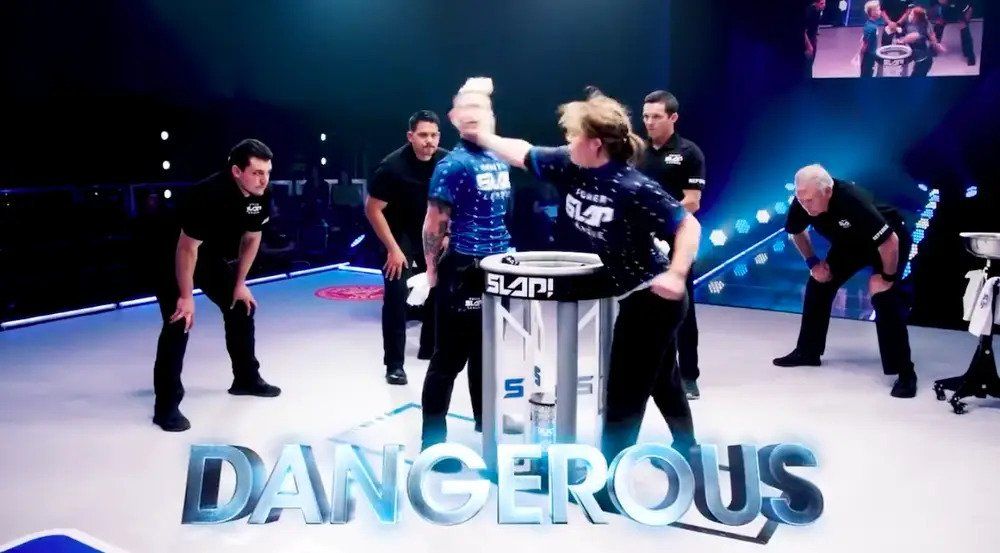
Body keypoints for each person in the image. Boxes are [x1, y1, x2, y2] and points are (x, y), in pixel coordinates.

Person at [464, 85, 701, 490]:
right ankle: (688, 448)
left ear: (595, 144)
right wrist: (481, 135)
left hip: (652, 298)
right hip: (630, 290)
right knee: (662, 378)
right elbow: (522, 152)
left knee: (625, 392)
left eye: (574, 136)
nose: (568, 142)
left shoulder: (631, 187)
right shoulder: (570, 165)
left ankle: (607, 482)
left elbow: (688, 225)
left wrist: (677, 275)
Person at [151, 139, 281, 432]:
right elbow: (186, 249)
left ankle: (246, 378)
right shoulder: (207, 194)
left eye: (267, 172)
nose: (264, 180)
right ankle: (166, 406)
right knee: (178, 322)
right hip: (171, 252)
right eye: (257, 173)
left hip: (207, 254)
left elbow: (252, 238)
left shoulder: (261, 193)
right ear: (236, 171)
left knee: (241, 307)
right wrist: (186, 297)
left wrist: (239, 283)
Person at [420, 79, 513, 464]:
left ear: (491, 116)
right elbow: (434, 222)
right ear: (455, 118)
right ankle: (432, 443)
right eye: (467, 109)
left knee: (488, 354)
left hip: (501, 266)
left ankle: (485, 423)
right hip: (464, 267)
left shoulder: (500, 156)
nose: (474, 115)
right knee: (448, 359)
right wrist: (431, 269)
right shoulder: (452, 165)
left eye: (481, 108)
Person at [773, 164, 917, 398]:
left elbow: (890, 241)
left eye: (809, 200)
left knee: (884, 297)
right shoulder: (802, 200)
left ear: (827, 192)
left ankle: (905, 372)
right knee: (818, 283)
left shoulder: (852, 200)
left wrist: (887, 278)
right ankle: (808, 352)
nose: (804, 205)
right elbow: (796, 231)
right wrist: (813, 263)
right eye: (800, 199)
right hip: (849, 244)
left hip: (887, 243)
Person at [365, 110, 448, 385]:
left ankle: (429, 347)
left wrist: (448, 234)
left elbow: (456, 203)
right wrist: (392, 248)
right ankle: (394, 364)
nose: (429, 141)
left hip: (430, 230)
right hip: (397, 233)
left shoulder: (447, 163)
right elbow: (372, 209)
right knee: (396, 292)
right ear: (410, 136)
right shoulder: (391, 167)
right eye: (423, 135)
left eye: (433, 135)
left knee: (441, 284)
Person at [636, 90, 706, 400]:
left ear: (673, 117)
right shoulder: (636, 150)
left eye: (656, 116)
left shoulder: (689, 153)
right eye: (646, 116)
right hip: (640, 239)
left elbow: (692, 202)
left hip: (676, 239)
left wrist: (658, 218)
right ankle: (646, 371)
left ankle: (688, 377)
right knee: (639, 307)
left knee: (682, 310)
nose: (649, 122)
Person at [899, 6, 946, 77]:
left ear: (916, 17)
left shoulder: (923, 26)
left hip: (924, 59)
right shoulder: (909, 23)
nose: (909, 15)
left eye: (911, 14)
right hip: (915, 54)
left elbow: (913, 36)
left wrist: (902, 41)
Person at [859, 1, 886, 78]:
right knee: (867, 74)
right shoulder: (872, 28)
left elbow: (864, 38)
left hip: (872, 53)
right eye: (878, 10)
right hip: (869, 55)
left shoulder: (870, 24)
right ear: (873, 12)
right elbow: (865, 43)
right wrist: (861, 55)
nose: (880, 11)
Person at [805, 0, 826, 75]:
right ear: (815, 3)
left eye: (824, 3)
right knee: (808, 59)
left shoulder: (818, 11)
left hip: (812, 37)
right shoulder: (810, 12)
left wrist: (816, 33)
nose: (824, 5)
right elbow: (803, 30)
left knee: (812, 58)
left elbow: (816, 24)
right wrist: (808, 45)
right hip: (807, 38)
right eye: (821, 3)